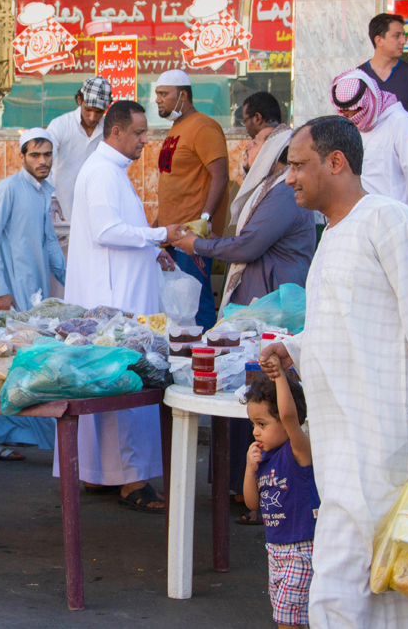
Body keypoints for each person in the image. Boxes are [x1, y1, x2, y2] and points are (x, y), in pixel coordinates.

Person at [260, 116, 408, 628]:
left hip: (386, 436)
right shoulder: (332, 234)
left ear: (336, 162)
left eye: (298, 165)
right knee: (360, 579)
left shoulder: (389, 220)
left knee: (387, 579)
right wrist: (293, 349)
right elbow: (344, 324)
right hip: (342, 442)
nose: (289, 178)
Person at [174, 120, 315, 520]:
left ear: (273, 151)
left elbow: (249, 244)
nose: (248, 149)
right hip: (261, 310)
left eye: (255, 142)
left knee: (270, 399)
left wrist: (196, 244)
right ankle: (243, 486)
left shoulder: (283, 194)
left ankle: (268, 490)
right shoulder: (269, 189)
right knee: (251, 397)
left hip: (276, 309)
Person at [63, 99, 185, 512]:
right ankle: (131, 481)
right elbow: (107, 231)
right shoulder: (102, 171)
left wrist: (153, 250)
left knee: (109, 386)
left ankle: (100, 473)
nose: (145, 140)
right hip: (115, 300)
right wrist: (160, 235)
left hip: (117, 293)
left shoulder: (110, 170)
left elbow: (121, 232)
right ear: (115, 132)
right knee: (127, 383)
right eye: (138, 132)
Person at [0, 127, 66, 458]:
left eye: (47, 154)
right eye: (35, 155)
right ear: (22, 156)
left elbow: (49, 240)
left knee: (28, 360)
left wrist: (69, 277)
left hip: (36, 289)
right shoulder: (9, 188)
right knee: (9, 361)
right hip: (13, 290)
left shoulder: (44, 191)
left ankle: (16, 436)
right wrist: (1, 290)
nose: (42, 161)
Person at [154, 68, 229, 331]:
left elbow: (220, 176)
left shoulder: (203, 127)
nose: (158, 100)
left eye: (164, 94)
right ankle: (183, 353)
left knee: (197, 303)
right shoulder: (177, 128)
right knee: (177, 306)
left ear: (182, 96)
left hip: (191, 235)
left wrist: (204, 221)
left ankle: (205, 353)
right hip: (170, 235)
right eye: (157, 94)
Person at [243, 370, 319, 629]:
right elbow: (252, 504)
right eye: (253, 425)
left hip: (300, 549)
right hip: (275, 550)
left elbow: (288, 416)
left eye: (262, 424)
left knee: (287, 622)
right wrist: (249, 469)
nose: (255, 432)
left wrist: (278, 376)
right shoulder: (264, 459)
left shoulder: (297, 451)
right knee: (288, 619)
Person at [331, 68, 408, 223]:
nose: (352, 118)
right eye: (346, 113)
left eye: (356, 111)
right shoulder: (349, 127)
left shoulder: (400, 122)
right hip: (358, 221)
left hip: (395, 222)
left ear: (369, 100)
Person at [46, 76, 111, 221]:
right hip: (61, 211)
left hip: (96, 212)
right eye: (88, 109)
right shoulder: (60, 125)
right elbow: (44, 162)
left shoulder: (109, 130)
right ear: (79, 100)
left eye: (99, 112)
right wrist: (51, 197)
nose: (92, 117)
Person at [358, 13, 408, 137]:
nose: (403, 41)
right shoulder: (358, 77)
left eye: (403, 35)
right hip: (367, 148)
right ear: (379, 40)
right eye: (397, 36)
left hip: (404, 146)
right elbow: (350, 122)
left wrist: (404, 143)